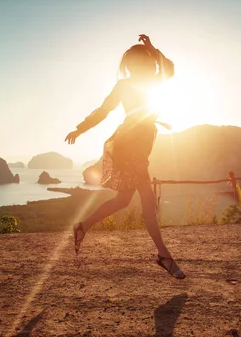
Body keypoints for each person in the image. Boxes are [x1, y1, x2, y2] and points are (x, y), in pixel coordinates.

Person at [65, 34, 185, 279]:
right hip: (129, 143)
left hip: (142, 142)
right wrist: (80, 128)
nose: (139, 64)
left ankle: (82, 227)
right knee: (147, 199)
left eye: (143, 59)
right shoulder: (127, 85)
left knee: (123, 200)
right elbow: (104, 111)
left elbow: (170, 69)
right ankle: (164, 256)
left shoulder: (153, 80)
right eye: (137, 60)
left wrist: (152, 48)